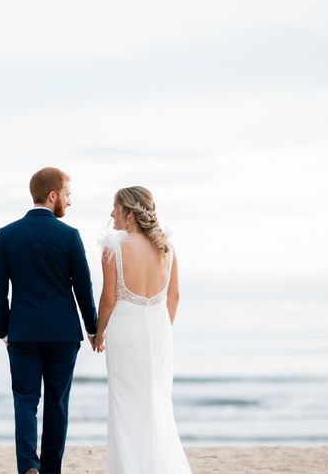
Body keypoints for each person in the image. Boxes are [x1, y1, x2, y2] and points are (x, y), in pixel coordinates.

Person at [0, 167, 98, 474]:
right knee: (57, 405)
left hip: (22, 334)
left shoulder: (7, 235)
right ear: (53, 196)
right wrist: (92, 328)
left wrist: (4, 329)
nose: (69, 201)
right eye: (67, 195)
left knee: (25, 402)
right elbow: (83, 287)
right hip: (63, 335)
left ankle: (28, 468)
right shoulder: (69, 236)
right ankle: (51, 470)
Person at [93, 186, 192, 474]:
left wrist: (99, 334)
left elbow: (109, 298)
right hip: (159, 330)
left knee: (125, 404)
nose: (112, 214)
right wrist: (162, 329)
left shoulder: (114, 247)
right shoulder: (167, 247)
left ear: (129, 213)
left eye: (115, 208)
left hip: (125, 330)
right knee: (156, 402)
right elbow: (174, 297)